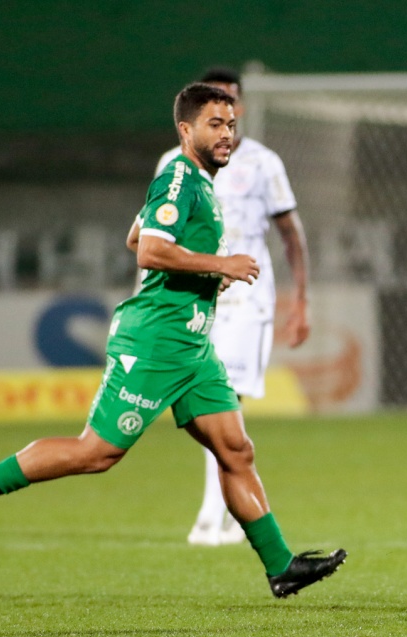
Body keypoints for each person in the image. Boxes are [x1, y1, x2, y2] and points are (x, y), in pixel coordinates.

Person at [0, 83, 345, 599]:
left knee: (236, 449)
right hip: (155, 341)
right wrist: (218, 265)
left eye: (231, 124)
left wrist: (207, 275)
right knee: (95, 452)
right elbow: (148, 253)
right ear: (186, 129)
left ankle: (281, 566)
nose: (227, 134)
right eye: (215, 124)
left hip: (193, 347)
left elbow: (136, 235)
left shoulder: (201, 182)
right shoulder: (179, 178)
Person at [144, 67, 311, 547]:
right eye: (217, 111)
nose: (228, 117)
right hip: (190, 296)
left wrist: (301, 299)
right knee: (201, 402)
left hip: (246, 298)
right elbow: (150, 237)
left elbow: (290, 234)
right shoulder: (172, 166)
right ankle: (219, 514)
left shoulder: (263, 162)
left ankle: (212, 516)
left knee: (225, 399)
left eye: (233, 107)